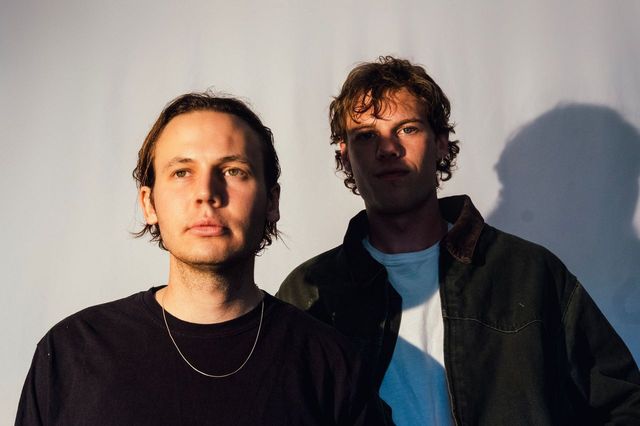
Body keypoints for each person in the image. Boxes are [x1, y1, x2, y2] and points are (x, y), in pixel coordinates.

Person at [277, 56, 640, 425]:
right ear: (345, 154)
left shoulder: (529, 273)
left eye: (407, 129)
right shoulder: (309, 292)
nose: (387, 149)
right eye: (367, 135)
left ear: (440, 143)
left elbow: (624, 403)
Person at [16, 92, 386, 425]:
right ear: (149, 203)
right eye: (182, 172)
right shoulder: (73, 351)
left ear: (271, 202)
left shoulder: (331, 363)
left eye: (233, 171)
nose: (207, 193)